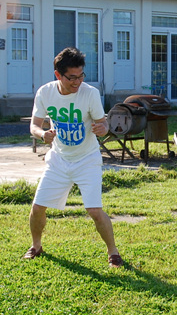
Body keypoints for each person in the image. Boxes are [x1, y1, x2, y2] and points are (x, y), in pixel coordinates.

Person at [23, 47, 123, 268]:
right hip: (58, 158)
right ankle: (36, 246)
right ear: (58, 75)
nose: (77, 82)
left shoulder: (90, 93)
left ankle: (113, 253)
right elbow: (35, 125)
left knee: (94, 210)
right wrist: (42, 135)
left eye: (81, 76)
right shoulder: (45, 92)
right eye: (72, 78)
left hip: (87, 159)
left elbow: (103, 123)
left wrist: (102, 129)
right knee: (38, 207)